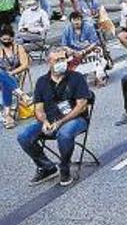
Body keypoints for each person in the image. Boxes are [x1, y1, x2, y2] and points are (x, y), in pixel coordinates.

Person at [17, 47, 90, 186]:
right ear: (48, 62)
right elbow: (38, 108)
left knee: (64, 133)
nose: (62, 62)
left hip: (75, 119)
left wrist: (60, 122)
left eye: (63, 59)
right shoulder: (42, 82)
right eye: (57, 60)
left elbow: (81, 105)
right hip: (50, 120)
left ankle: (64, 167)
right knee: (24, 136)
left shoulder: (76, 77)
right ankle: (46, 167)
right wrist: (44, 121)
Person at [61, 12, 108, 86]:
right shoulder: (67, 29)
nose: (77, 22)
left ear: (81, 20)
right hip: (74, 52)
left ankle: (100, 76)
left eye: (78, 20)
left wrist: (84, 51)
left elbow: (95, 42)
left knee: (98, 51)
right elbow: (64, 45)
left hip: (88, 50)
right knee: (64, 57)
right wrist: (72, 51)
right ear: (71, 21)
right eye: (74, 20)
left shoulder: (88, 27)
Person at [0, 25, 31, 129]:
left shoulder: (18, 48)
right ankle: (22, 95)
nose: (6, 41)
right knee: (1, 74)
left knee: (5, 83)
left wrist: (12, 73)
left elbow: (25, 64)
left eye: (8, 39)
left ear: (12, 38)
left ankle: (7, 115)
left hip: (15, 76)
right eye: (3, 39)